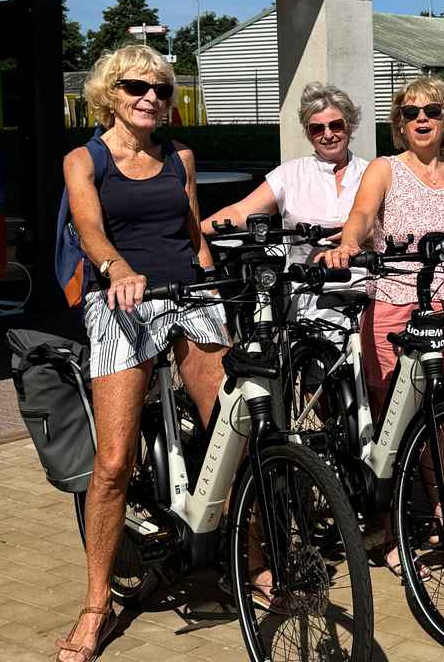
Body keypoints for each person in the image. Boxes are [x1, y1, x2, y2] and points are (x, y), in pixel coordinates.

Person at [58, 44, 229, 662]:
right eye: (136, 87)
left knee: (232, 432)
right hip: (121, 298)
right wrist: (118, 269)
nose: (151, 97)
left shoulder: (179, 156)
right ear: (110, 93)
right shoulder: (86, 158)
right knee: (112, 463)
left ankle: (254, 559)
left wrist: (212, 282)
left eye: (161, 88)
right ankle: (95, 605)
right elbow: (90, 230)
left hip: (187, 294)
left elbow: (191, 231)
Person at [317, 76, 444, 572]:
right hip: (396, 303)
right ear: (399, 125)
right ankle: (390, 523)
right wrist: (349, 244)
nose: (422, 119)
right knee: (394, 417)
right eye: (411, 112)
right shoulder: (384, 168)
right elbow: (362, 215)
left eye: (432, 111)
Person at [202, 81, 368, 273]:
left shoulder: (371, 172)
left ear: (350, 125)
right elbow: (240, 213)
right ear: (308, 133)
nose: (328, 134)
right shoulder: (289, 174)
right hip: (306, 286)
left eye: (336, 125)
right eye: (317, 129)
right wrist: (194, 231)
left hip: (367, 284)